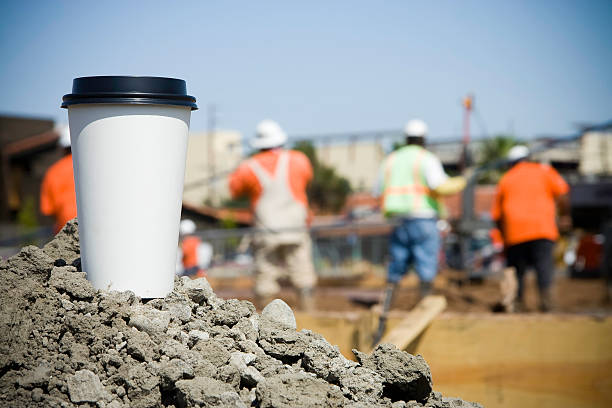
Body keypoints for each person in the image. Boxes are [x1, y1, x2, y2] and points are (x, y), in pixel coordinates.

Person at [229, 120, 316, 310]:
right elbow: (307, 179)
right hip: (296, 227)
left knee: (265, 276)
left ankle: (266, 318)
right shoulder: (299, 159)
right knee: (303, 272)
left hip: (267, 230)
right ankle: (310, 312)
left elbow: (234, 190)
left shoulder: (248, 166)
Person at [376, 119, 466, 301]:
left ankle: (388, 304)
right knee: (426, 261)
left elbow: (377, 189)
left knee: (397, 261)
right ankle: (424, 302)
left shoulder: (391, 159)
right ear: (423, 138)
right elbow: (439, 186)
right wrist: (461, 181)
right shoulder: (425, 158)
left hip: (397, 220)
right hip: (422, 217)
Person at [491, 145, 570, 312]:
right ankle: (548, 304)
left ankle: (517, 305)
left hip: (515, 232)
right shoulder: (544, 171)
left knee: (518, 271)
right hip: (543, 229)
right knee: (544, 268)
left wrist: (504, 237)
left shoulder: (506, 178)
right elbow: (562, 194)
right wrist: (564, 216)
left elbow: (497, 216)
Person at [40, 125, 77, 234]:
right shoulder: (94, 167)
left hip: (66, 230)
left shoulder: (53, 172)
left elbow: (48, 210)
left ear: (62, 148)